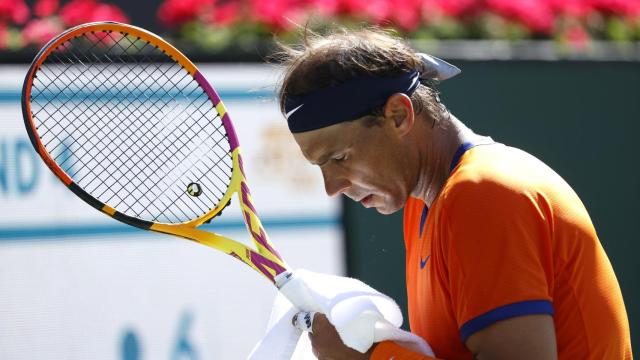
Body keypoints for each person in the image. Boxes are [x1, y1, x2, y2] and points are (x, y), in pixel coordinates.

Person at [276, 27, 632, 360]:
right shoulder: (426, 204)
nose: (332, 187)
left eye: (339, 158)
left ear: (399, 115)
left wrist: (371, 357)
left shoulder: (483, 194)